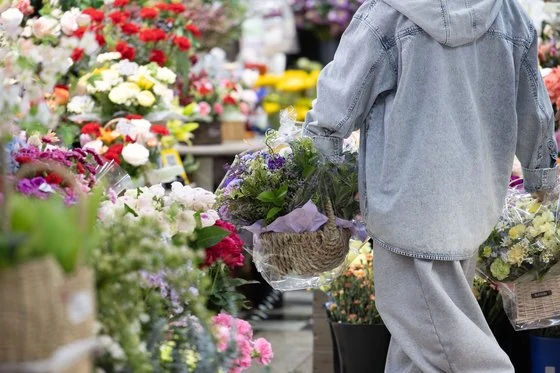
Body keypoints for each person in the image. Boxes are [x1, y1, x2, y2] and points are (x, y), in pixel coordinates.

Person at [303, 0, 558, 372]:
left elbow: (340, 100)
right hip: (474, 203)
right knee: (418, 347)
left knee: (454, 349)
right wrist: (540, 172)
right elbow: (534, 106)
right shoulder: (508, 13)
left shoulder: (388, 13)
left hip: (407, 205)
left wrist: (310, 168)